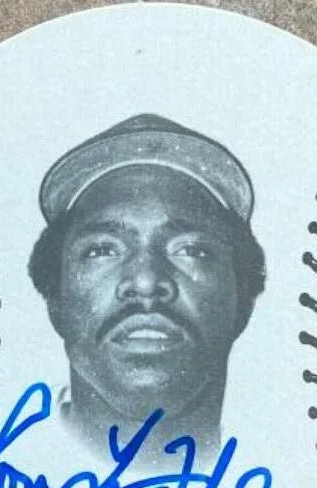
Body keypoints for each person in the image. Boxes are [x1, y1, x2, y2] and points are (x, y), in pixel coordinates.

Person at [29, 114, 265, 469]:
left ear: (243, 299)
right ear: (55, 299)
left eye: (190, 250)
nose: (145, 282)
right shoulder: (10, 466)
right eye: (102, 250)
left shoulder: (288, 465)